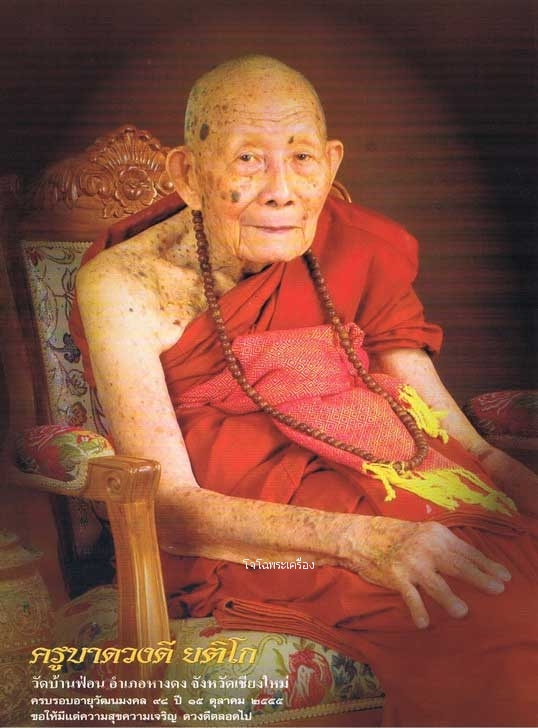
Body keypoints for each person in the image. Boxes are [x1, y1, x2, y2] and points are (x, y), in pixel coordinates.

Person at [71, 55, 538, 725]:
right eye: (248, 160)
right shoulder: (126, 285)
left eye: (301, 158)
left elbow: (456, 439)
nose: (282, 192)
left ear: (332, 162)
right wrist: (369, 543)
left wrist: (518, 488)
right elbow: (170, 508)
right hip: (265, 542)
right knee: (492, 622)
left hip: (404, 497)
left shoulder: (358, 248)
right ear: (188, 175)